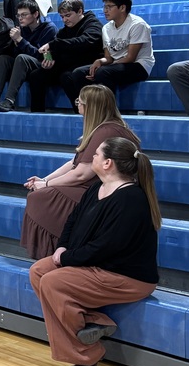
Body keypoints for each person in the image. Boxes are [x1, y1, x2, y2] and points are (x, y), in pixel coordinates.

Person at [29, 137, 161, 366]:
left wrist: (67, 258)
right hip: (95, 264)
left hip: (126, 276)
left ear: (108, 163)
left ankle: (87, 353)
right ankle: (94, 321)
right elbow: (72, 221)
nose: (93, 158)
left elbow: (106, 247)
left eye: (97, 154)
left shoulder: (131, 199)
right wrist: (62, 247)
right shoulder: (95, 188)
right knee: (39, 271)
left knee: (52, 282)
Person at [20, 84, 140, 259]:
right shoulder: (102, 128)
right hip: (92, 188)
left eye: (80, 101)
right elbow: (74, 163)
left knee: (39, 198)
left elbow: (82, 173)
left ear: (90, 106)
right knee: (40, 193)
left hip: (101, 193)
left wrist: (45, 185)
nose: (78, 104)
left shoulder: (107, 130)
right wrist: (44, 179)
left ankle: (57, 252)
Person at [60, 0, 155, 108]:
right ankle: (88, 111)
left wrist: (103, 66)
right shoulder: (106, 28)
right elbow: (109, 58)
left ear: (122, 8)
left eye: (109, 7)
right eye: (104, 7)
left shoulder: (137, 25)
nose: (105, 10)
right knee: (77, 73)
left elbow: (130, 58)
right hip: (116, 64)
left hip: (139, 65)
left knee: (103, 72)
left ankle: (108, 113)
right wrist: (100, 61)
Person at [0, 0, 57, 112]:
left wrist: (20, 40)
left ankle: (9, 101)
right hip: (22, 66)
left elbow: (40, 55)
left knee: (22, 58)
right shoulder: (21, 29)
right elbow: (16, 55)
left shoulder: (49, 28)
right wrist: (16, 44)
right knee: (3, 58)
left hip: (42, 65)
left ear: (35, 14)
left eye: (24, 15)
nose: (20, 18)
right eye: (18, 15)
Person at [27, 0, 103, 113]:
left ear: (80, 12)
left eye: (68, 15)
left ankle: (83, 113)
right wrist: (49, 59)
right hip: (68, 64)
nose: (64, 20)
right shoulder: (64, 31)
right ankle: (37, 114)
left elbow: (85, 42)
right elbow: (56, 49)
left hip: (87, 63)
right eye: (62, 17)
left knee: (67, 77)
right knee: (36, 75)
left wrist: (53, 44)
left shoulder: (92, 24)